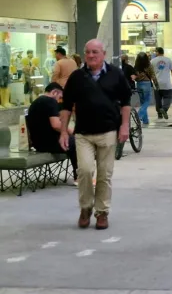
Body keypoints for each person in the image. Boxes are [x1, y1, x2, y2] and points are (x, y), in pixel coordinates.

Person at [59, 39, 132, 230]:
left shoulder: (116, 74)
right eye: (88, 52)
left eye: (95, 52)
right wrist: (63, 132)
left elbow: (126, 102)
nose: (91, 55)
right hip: (83, 133)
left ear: (103, 54)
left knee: (104, 175)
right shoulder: (77, 77)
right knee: (84, 171)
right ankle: (85, 208)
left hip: (108, 132)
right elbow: (66, 106)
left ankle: (102, 213)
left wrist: (125, 126)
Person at [27, 82, 77, 181]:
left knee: (73, 141)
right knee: (76, 142)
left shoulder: (35, 103)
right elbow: (56, 125)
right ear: (54, 92)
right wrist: (72, 132)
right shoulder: (50, 101)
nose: (59, 100)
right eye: (60, 97)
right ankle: (79, 176)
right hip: (50, 142)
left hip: (38, 143)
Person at [151, 47, 172, 120]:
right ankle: (164, 109)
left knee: (158, 99)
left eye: (155, 52)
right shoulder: (168, 60)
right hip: (166, 83)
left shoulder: (152, 61)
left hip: (156, 83)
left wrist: (152, 80)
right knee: (168, 97)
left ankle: (159, 114)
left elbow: (150, 72)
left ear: (157, 52)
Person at [134, 52, 157, 127]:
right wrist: (156, 85)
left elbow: (135, 76)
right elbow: (153, 75)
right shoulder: (148, 65)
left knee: (143, 102)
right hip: (147, 84)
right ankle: (139, 115)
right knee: (147, 101)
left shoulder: (136, 66)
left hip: (139, 84)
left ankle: (145, 120)